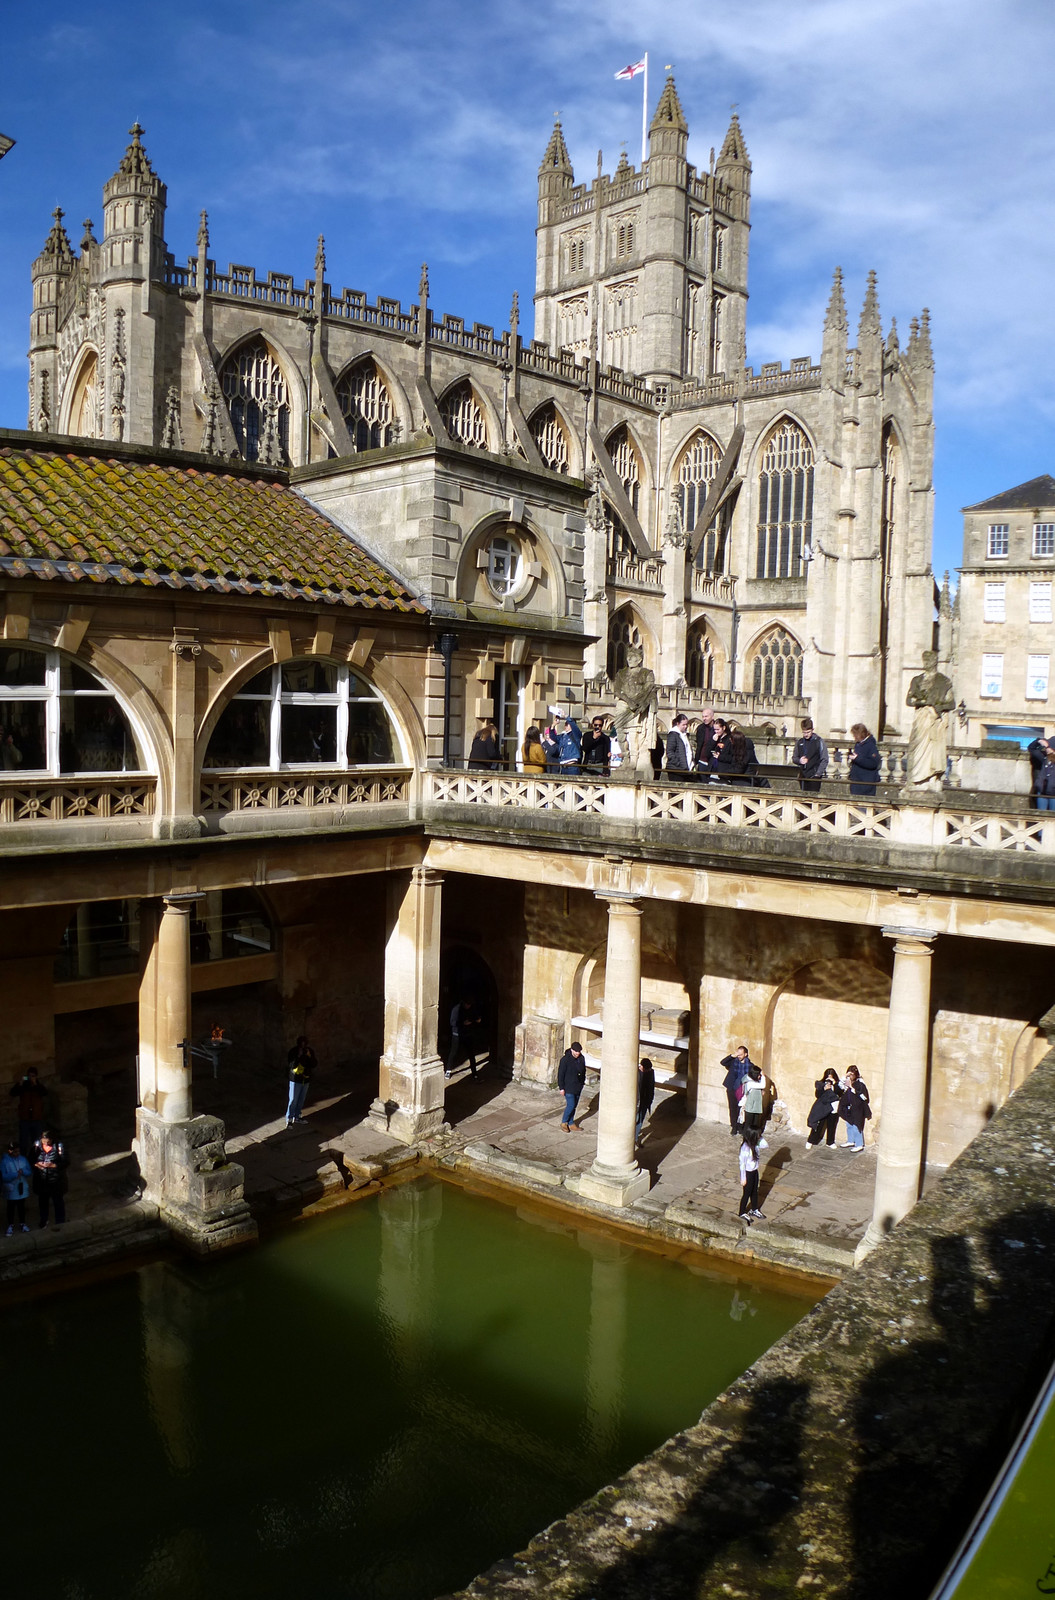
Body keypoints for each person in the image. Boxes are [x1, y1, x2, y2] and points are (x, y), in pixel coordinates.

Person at [905, 651, 955, 790]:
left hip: (934, 721)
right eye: (924, 660)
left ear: (935, 661)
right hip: (921, 720)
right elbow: (909, 700)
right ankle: (916, 779)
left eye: (929, 660)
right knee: (916, 746)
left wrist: (937, 706)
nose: (926, 662)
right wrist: (923, 701)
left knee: (932, 750)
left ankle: (929, 778)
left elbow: (951, 704)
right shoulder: (917, 680)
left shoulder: (944, 681)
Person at [32, 1130, 67, 1229]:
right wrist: (37, 1164)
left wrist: (54, 1165)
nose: (46, 1143)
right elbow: (31, 1159)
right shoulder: (36, 1146)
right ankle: (44, 1220)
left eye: (48, 1141)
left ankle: (60, 1221)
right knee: (43, 1202)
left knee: (58, 1201)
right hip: (42, 1180)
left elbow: (66, 1161)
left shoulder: (59, 1146)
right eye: (44, 1141)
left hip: (56, 1180)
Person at [9, 1067, 48, 1156]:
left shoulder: (38, 1086)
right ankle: (23, 1159)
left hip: (36, 1119)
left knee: (37, 1142)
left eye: (33, 1076)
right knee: (23, 1142)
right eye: (29, 1076)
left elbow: (45, 1092)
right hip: (25, 1119)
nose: (30, 1078)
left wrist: (35, 1084)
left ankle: (36, 1157)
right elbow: (12, 1093)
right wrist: (20, 1083)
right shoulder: (23, 1086)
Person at [804, 1068, 842, 1149]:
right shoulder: (821, 1084)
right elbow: (817, 1095)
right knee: (818, 1125)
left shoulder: (838, 1085)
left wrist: (834, 1085)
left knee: (831, 1125)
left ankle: (830, 1142)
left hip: (833, 1108)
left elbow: (840, 1093)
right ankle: (811, 1140)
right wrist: (824, 1088)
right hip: (823, 1108)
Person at [720, 1045, 754, 1135]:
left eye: (740, 1054)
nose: (738, 1056)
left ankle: (740, 1126)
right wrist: (732, 1055)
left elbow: (755, 1075)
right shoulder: (733, 1062)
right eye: (738, 1053)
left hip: (742, 1090)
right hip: (732, 1088)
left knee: (740, 1109)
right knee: (732, 1107)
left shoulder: (750, 1065)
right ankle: (734, 1126)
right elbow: (723, 1062)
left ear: (745, 1054)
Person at [445, 996, 481, 1080]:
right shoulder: (456, 1009)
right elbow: (452, 1022)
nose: (468, 1006)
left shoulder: (472, 1008)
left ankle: (474, 1073)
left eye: (470, 1005)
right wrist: (463, 1023)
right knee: (453, 1052)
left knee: (471, 1054)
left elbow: (476, 1017)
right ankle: (448, 1070)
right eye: (467, 1004)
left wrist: (477, 1019)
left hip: (467, 1034)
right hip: (457, 1033)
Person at [838, 1065, 872, 1150]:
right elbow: (840, 1086)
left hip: (858, 1109)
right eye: (849, 1075)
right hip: (849, 1108)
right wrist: (845, 1077)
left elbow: (863, 1097)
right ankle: (851, 1141)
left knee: (857, 1126)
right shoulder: (847, 1082)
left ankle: (859, 1144)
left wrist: (852, 1088)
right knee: (849, 1125)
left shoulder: (860, 1084)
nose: (850, 1077)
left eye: (852, 1075)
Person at [1, 1139, 31, 1235]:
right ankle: (10, 1225)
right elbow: (3, 1176)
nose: (17, 1153)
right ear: (10, 1151)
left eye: (18, 1151)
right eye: (15, 1151)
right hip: (11, 1188)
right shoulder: (4, 1162)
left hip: (22, 1187)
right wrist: (14, 1174)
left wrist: (23, 1172)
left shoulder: (23, 1159)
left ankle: (22, 1223)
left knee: (21, 1206)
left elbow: (29, 1171)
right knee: (11, 1207)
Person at [285, 1035, 317, 1126]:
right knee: (293, 1100)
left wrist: (309, 1056)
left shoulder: (309, 1051)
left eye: (304, 1044)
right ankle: (289, 1119)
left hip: (305, 1079)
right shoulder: (293, 1051)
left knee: (301, 1099)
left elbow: (314, 1064)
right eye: (301, 1044)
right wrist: (298, 1056)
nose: (303, 1046)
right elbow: (291, 1065)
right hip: (295, 1080)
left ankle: (297, 1116)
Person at [557, 1040, 587, 1131]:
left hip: (578, 1086)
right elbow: (560, 1074)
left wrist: (582, 1082)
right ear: (572, 1050)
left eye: (579, 1051)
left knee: (574, 1106)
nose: (578, 1053)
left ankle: (571, 1123)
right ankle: (564, 1122)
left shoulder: (581, 1058)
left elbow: (583, 1070)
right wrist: (561, 1088)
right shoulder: (565, 1060)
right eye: (576, 1051)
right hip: (568, 1086)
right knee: (571, 1104)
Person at [793, 718, 828, 793]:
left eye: (808, 732)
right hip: (803, 776)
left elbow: (824, 759)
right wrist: (799, 761)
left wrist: (818, 774)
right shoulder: (800, 742)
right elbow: (794, 758)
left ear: (812, 730)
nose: (806, 735)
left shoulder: (819, 741)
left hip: (814, 776)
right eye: (804, 732)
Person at [848, 723, 882, 796]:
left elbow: (873, 763)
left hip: (865, 783)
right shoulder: (859, 744)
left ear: (861, 734)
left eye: (855, 735)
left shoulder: (871, 745)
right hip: (856, 781)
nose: (854, 737)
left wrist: (857, 758)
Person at [547, 708, 583, 776]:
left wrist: (566, 716)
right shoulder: (563, 736)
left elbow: (573, 725)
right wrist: (553, 725)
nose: (565, 726)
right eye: (565, 724)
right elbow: (553, 737)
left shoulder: (575, 735)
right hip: (563, 766)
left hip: (572, 767)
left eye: (567, 724)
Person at [738, 1131, 764, 1221]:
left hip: (754, 1171)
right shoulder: (745, 1148)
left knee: (754, 1191)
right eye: (757, 1135)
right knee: (746, 1193)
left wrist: (760, 1138)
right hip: (748, 1173)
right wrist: (743, 1178)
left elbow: (765, 1145)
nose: (759, 1137)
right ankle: (741, 1212)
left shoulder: (755, 1144)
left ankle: (754, 1209)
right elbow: (742, 1164)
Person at [664, 713, 693, 780]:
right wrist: (679, 763)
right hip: (676, 770)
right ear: (677, 724)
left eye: (686, 724)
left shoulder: (684, 735)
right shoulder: (673, 735)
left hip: (685, 769)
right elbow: (670, 752)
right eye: (683, 725)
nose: (685, 726)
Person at [636, 1057, 656, 1137]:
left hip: (645, 1101)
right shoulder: (635, 1073)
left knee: (640, 1120)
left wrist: (650, 1099)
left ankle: (636, 1138)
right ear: (641, 1066)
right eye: (647, 1069)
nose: (648, 1071)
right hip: (637, 1101)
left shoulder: (651, 1072)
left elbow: (651, 1086)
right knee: (635, 1119)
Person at [694, 708, 718, 773]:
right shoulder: (700, 728)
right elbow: (699, 745)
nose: (704, 718)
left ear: (712, 717)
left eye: (706, 716)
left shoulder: (718, 728)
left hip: (714, 761)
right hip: (702, 761)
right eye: (703, 716)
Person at [1034, 747, 1055, 811]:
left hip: (1053, 793)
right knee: (1041, 815)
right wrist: (1039, 740)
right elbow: (1032, 749)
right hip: (1042, 790)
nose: (1047, 749)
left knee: (1052, 816)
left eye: (1049, 747)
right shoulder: (1045, 759)